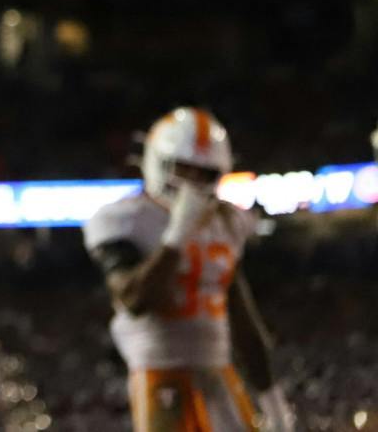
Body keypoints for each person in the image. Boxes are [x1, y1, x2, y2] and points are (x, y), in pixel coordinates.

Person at [82, 108, 295, 432]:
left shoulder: (224, 221)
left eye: (204, 174)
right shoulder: (126, 219)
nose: (193, 183)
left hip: (218, 369)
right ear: (158, 161)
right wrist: (175, 240)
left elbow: (240, 314)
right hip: (159, 371)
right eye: (184, 170)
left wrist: (271, 396)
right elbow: (133, 298)